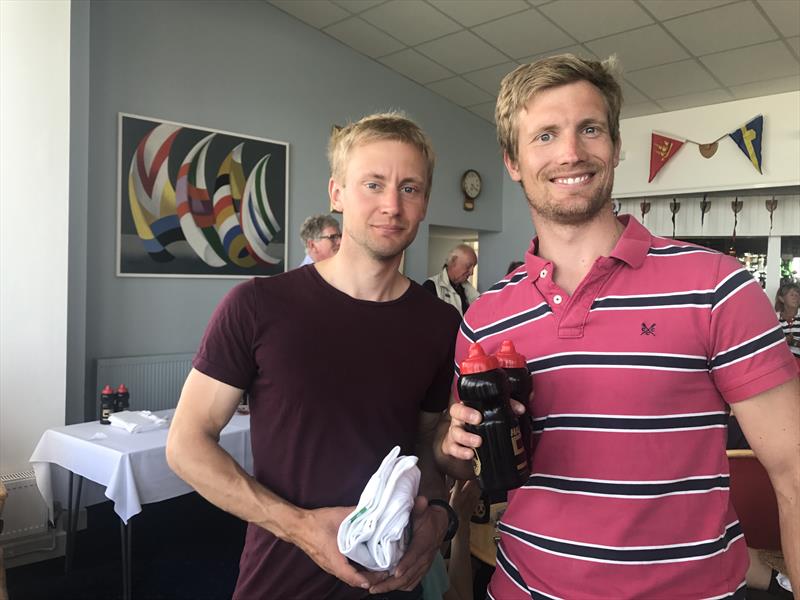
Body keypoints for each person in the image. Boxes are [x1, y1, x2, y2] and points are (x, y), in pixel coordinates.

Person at [437, 53, 800, 598]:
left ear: (616, 144)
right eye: (544, 136)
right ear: (511, 160)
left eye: (590, 129)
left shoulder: (717, 287)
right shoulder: (486, 314)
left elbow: (795, 474)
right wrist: (455, 443)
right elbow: (454, 455)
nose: (570, 152)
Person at [167, 112, 462, 599]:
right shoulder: (258, 305)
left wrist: (435, 517)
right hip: (281, 582)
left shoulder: (438, 323)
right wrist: (300, 526)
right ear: (337, 193)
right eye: (373, 184)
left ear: (425, 202)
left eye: (409, 188)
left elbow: (425, 443)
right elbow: (186, 445)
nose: (391, 204)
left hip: (392, 584)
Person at [423, 244, 479, 316]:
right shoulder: (431, 286)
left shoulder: (467, 289)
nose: (471, 272)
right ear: (453, 261)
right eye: (468, 266)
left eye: (473, 267)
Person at [775, 282, 800, 363]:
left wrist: (794, 343)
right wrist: (783, 341)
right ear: (782, 299)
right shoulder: (775, 318)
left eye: (797, 294)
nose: (796, 297)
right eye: (792, 295)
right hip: (780, 364)